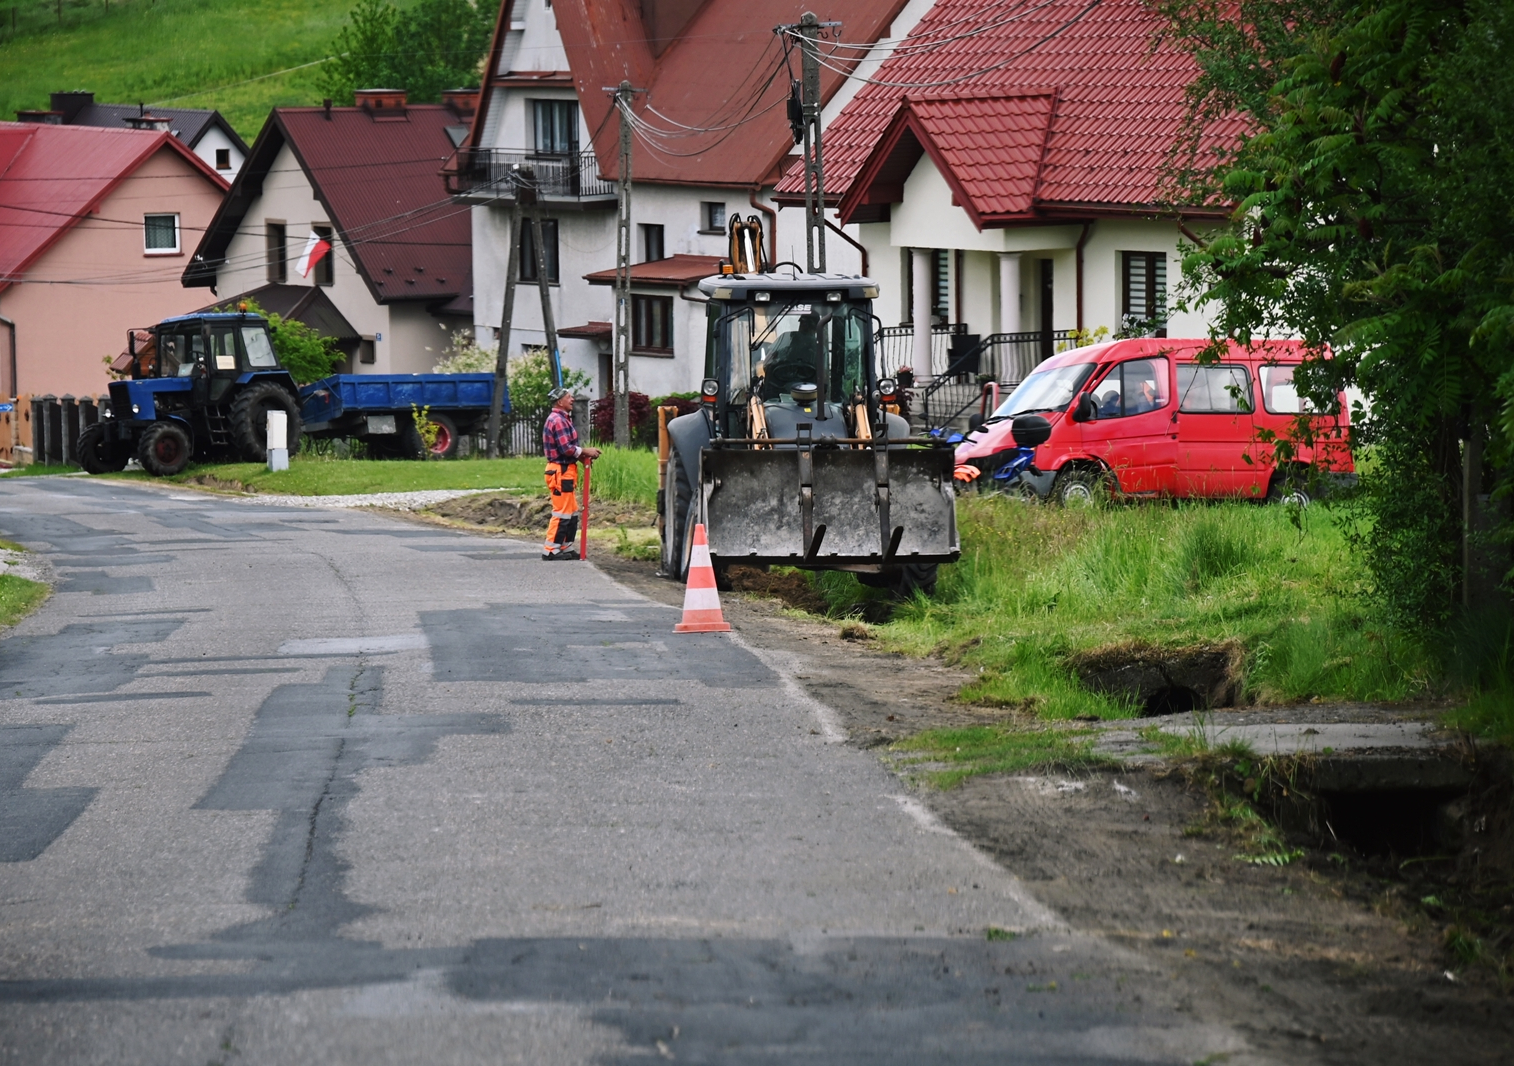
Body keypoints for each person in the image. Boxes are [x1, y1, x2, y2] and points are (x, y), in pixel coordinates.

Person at [541, 387, 600, 560]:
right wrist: (585, 451)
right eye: (569, 397)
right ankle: (551, 550)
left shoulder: (562, 419)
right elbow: (565, 448)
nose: (572, 399)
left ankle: (565, 546)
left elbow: (567, 449)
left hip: (566, 470)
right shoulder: (558, 420)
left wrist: (581, 457)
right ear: (560, 402)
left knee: (571, 511)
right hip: (560, 471)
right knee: (562, 512)